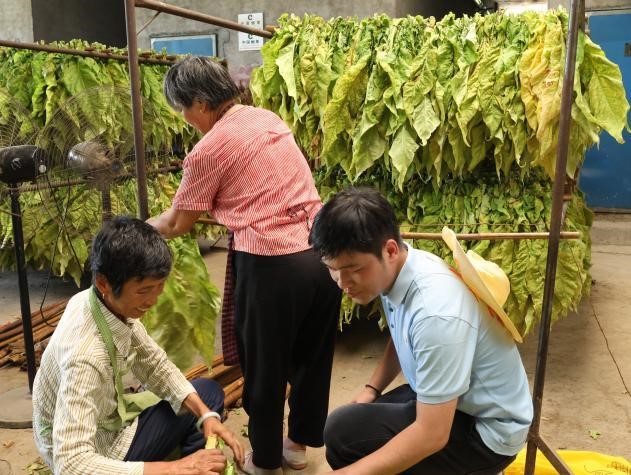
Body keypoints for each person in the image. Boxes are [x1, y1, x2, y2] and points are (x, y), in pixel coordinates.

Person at [147, 57, 341, 474]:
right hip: (323, 255)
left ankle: (266, 461)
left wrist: (139, 227)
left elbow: (178, 223)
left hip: (273, 263)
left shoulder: (207, 150)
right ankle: (296, 448)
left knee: (265, 367)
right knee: (312, 358)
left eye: (182, 109)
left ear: (200, 103)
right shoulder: (266, 119)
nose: (184, 119)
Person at [308, 187, 533, 475]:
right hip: (455, 399)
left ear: (390, 250)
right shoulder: (399, 268)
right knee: (343, 428)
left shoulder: (435, 313)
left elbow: (432, 435)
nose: (342, 283)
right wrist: (372, 389)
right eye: (332, 269)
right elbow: (401, 333)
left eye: (353, 269)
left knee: (348, 446)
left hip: (487, 431)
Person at [32, 216, 244, 474]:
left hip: (106, 422)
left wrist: (206, 415)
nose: (152, 300)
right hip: (97, 452)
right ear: (104, 283)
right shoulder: (86, 357)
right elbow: (71, 464)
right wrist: (177, 468)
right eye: (143, 291)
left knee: (207, 395)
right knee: (187, 445)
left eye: (159, 286)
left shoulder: (98, 302)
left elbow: (154, 365)